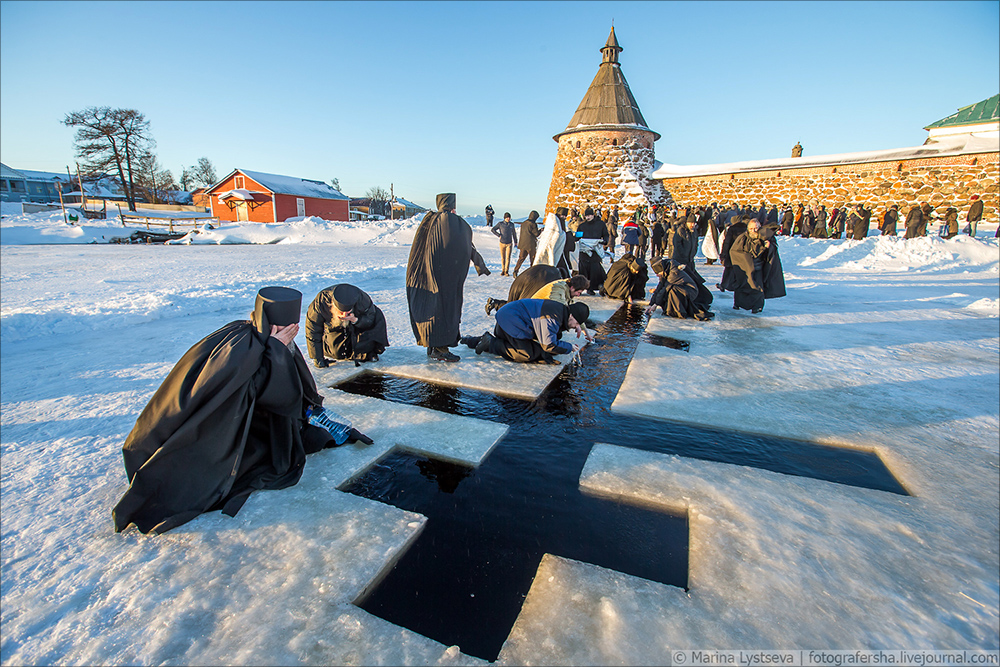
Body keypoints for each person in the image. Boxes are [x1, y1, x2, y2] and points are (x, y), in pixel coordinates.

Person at [112, 287, 372, 535]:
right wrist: (275, 352)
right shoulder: (242, 346)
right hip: (213, 430)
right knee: (270, 462)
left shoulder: (265, 340)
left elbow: (292, 388)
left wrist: (278, 352)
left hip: (249, 419)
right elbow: (263, 395)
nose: (292, 334)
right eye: (287, 329)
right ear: (272, 324)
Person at [406, 193, 489, 362]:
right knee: (445, 311)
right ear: (452, 206)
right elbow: (464, 245)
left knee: (431, 307)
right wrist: (478, 263)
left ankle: (432, 347)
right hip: (447, 279)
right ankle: (440, 349)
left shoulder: (429, 221)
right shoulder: (454, 223)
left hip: (427, 275)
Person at [461, 299, 588, 365]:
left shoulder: (560, 310)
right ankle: (490, 343)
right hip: (510, 323)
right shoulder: (552, 318)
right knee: (526, 354)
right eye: (576, 324)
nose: (575, 327)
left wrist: (577, 326)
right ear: (571, 316)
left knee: (549, 344)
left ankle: (472, 340)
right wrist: (569, 347)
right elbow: (548, 344)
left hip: (510, 320)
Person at [305, 284, 389, 367]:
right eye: (341, 312)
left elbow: (370, 319)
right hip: (334, 327)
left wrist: (355, 320)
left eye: (348, 312)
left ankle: (368, 351)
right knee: (336, 352)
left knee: (365, 348)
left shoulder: (362, 298)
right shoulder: (320, 303)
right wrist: (317, 358)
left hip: (359, 326)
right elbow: (313, 330)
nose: (345, 315)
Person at [728, 219, 786, 313]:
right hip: (745, 268)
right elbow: (734, 251)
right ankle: (738, 303)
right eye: (751, 229)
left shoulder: (765, 237)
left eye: (756, 228)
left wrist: (768, 247)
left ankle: (757, 306)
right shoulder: (742, 238)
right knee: (742, 286)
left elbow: (772, 251)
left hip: (759, 267)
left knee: (758, 288)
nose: (754, 231)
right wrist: (747, 259)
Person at [645, 257, 715, 321]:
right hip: (682, 289)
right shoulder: (666, 271)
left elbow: (664, 289)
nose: (657, 275)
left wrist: (656, 304)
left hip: (690, 291)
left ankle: (678, 311)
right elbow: (659, 287)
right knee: (670, 289)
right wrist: (651, 304)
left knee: (672, 289)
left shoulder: (673, 273)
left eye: (658, 273)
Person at [576, 206, 609, 294]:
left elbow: (606, 234)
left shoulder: (600, 224)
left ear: (593, 215)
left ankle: (596, 286)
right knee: (584, 270)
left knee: (595, 269)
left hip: (595, 250)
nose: (588, 217)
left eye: (590, 215)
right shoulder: (582, 225)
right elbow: (578, 236)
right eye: (586, 216)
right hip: (584, 251)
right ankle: (586, 287)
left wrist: (605, 241)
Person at [512, 210, 542, 277]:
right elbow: (536, 234)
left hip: (523, 244)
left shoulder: (524, 223)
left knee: (521, 258)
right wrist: (541, 230)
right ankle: (533, 273)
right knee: (533, 259)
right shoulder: (533, 224)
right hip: (530, 245)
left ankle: (515, 271)